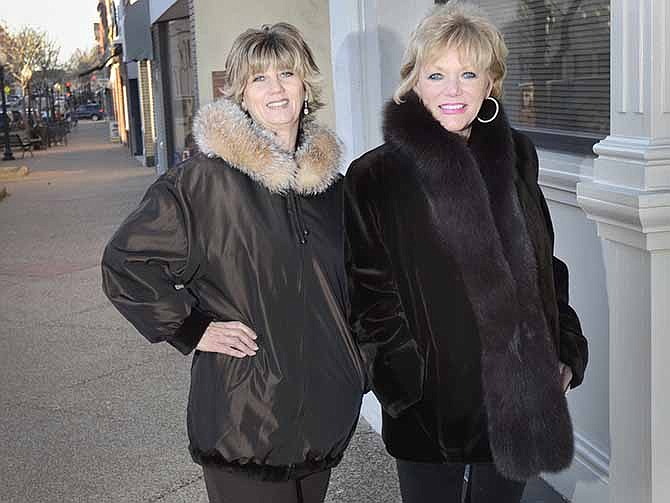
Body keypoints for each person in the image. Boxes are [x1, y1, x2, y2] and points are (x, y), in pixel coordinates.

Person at [102, 22, 365, 503]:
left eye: (286, 73)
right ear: (240, 94)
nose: (276, 89)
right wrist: (192, 327)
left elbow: (357, 286)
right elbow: (126, 263)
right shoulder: (204, 182)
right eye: (259, 78)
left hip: (323, 413)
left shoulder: (332, 188)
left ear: (306, 86)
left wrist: (356, 365)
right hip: (244, 418)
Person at [344, 3, 588, 503]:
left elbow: (545, 263)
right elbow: (367, 294)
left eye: (468, 74)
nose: (453, 91)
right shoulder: (375, 175)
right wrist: (405, 383)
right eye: (436, 74)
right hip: (431, 409)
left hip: (519, 399)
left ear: (489, 84)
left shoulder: (516, 154)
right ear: (413, 82)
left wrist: (562, 348)